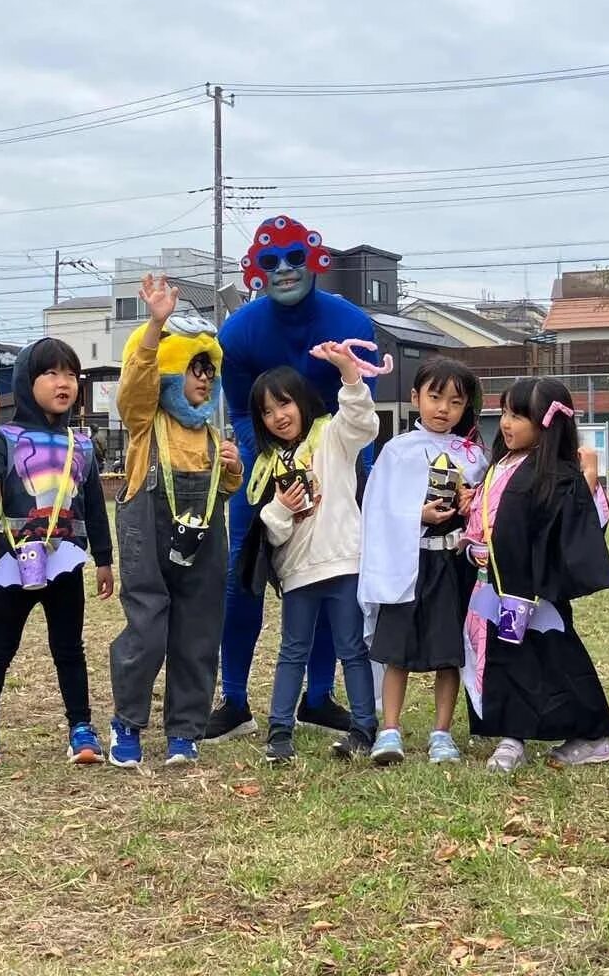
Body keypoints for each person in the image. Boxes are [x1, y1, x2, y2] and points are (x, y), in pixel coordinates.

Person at [208, 216, 378, 742]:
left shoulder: (351, 322)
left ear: (315, 259)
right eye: (270, 261)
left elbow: (359, 411)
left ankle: (319, 696)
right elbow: (242, 410)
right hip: (264, 464)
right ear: (256, 270)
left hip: (336, 457)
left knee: (333, 572)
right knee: (243, 575)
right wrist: (276, 462)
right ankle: (234, 699)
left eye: (294, 258)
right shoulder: (237, 333)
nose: (284, 269)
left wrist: (348, 472)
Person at [108, 274, 243, 769]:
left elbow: (224, 492)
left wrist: (232, 469)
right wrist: (155, 325)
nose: (203, 378)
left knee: (198, 632)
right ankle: (127, 722)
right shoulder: (145, 423)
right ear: (170, 372)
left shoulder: (212, 433)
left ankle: (185, 730)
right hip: (148, 532)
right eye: (192, 368)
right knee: (147, 629)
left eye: (209, 370)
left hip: (202, 542)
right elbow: (134, 389)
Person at [0, 338, 114, 770]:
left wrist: (104, 559)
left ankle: (81, 728)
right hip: (15, 560)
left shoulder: (81, 444)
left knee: (69, 647)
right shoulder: (8, 437)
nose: (63, 382)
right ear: (28, 382)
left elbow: (93, 506)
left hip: (66, 560)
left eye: (70, 374)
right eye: (51, 373)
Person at [461, 378, 609, 773]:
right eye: (505, 413)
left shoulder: (557, 474)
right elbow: (486, 518)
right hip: (494, 586)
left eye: (518, 416)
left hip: (534, 590)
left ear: (546, 424)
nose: (506, 423)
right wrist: (472, 536)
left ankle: (592, 734)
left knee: (554, 657)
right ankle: (511, 735)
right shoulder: (501, 465)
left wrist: (588, 481)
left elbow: (579, 525)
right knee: (503, 658)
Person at [237, 343, 381, 763]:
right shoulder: (268, 465)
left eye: (284, 403)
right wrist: (282, 507)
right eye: (266, 411)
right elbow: (272, 534)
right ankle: (279, 733)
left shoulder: (332, 437)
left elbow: (362, 421)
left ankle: (364, 728)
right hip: (298, 572)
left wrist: (348, 372)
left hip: (344, 562)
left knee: (351, 649)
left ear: (301, 401)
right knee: (292, 651)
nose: (278, 416)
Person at [358, 358, 487, 766]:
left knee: (450, 651)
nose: (443, 408)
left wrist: (470, 504)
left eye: (455, 401)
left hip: (452, 565)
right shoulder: (397, 451)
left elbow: (484, 511)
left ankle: (442, 733)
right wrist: (418, 514)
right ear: (416, 397)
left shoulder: (473, 456)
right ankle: (390, 729)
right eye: (435, 397)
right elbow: (377, 509)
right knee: (397, 650)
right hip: (406, 564)